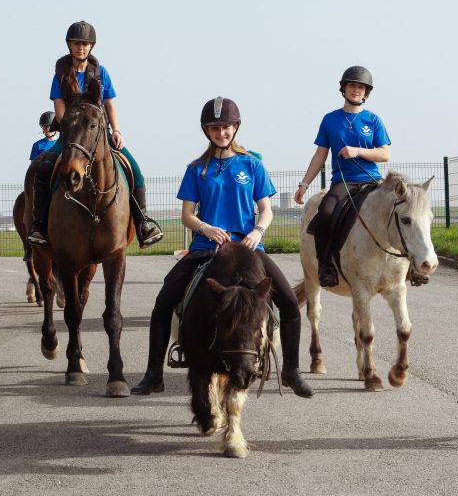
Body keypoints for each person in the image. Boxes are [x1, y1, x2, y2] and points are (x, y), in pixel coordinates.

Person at [131, 97, 313, 398]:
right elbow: (186, 215)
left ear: (235, 127)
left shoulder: (252, 165)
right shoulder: (196, 169)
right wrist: (206, 227)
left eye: (226, 127)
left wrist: (257, 230)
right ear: (207, 130)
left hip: (247, 248)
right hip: (207, 247)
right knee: (163, 301)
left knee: (291, 305)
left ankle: (292, 371)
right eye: (214, 127)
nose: (221, 132)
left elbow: (266, 209)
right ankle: (153, 374)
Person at [26, 20, 163, 248]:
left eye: (85, 44)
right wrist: (71, 131)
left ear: (91, 46)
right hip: (72, 136)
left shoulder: (101, 73)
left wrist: (116, 130)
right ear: (69, 45)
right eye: (77, 43)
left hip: (100, 134)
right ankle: (39, 224)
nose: (81, 47)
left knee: (135, 170)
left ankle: (143, 223)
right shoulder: (59, 75)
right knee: (43, 169)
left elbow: (110, 105)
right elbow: (59, 109)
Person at [293, 66, 392, 287]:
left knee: (398, 211)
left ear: (366, 92)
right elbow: (320, 154)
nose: (356, 90)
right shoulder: (330, 120)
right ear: (344, 89)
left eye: (361, 87)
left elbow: (385, 153)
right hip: (343, 182)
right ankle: (326, 266)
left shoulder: (373, 120)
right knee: (326, 213)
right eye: (352, 85)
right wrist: (305, 183)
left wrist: (358, 151)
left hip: (372, 180)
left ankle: (407, 265)